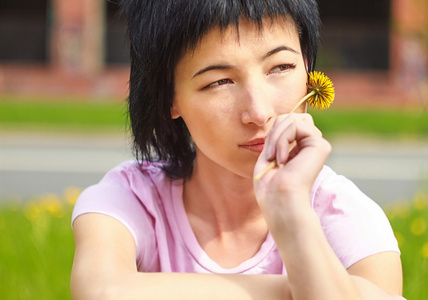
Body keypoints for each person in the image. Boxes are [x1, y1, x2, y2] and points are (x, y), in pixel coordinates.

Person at [70, 0, 404, 299]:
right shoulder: (133, 198)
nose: (259, 112)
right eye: (219, 81)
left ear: (307, 68)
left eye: (280, 67)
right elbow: (103, 291)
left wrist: (291, 212)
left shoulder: (346, 214)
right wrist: (309, 287)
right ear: (169, 97)